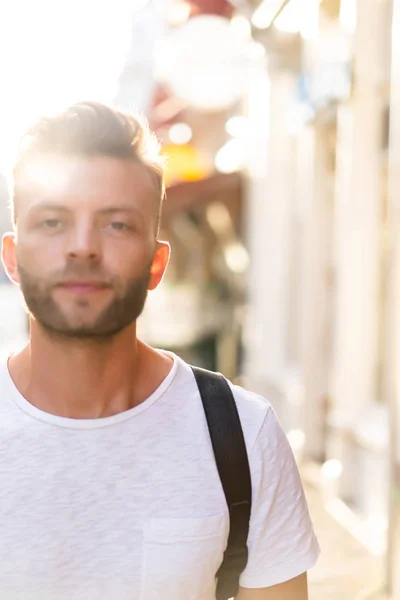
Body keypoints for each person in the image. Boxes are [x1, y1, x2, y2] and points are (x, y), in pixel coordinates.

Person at [0, 102, 320, 600]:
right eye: (52, 222)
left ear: (156, 263)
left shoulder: (241, 434)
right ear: (12, 259)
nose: (83, 247)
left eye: (117, 225)